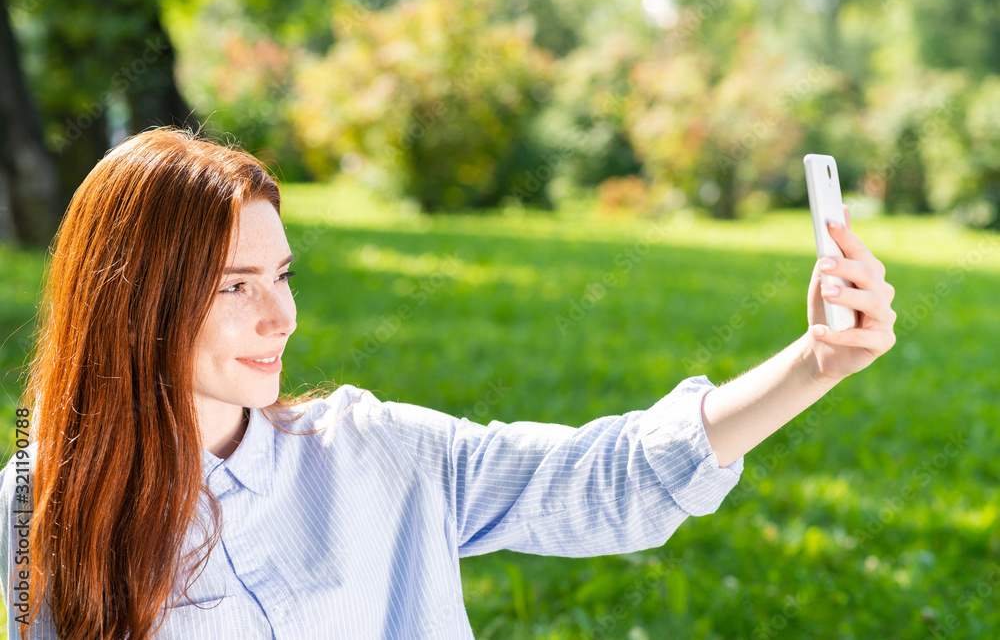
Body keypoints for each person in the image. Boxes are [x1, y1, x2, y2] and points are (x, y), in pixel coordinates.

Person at [0, 127, 896, 640]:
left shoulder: (367, 449)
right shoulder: (33, 507)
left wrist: (817, 362)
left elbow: (605, 475)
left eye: (284, 275)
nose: (282, 318)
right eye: (237, 285)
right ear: (136, 300)